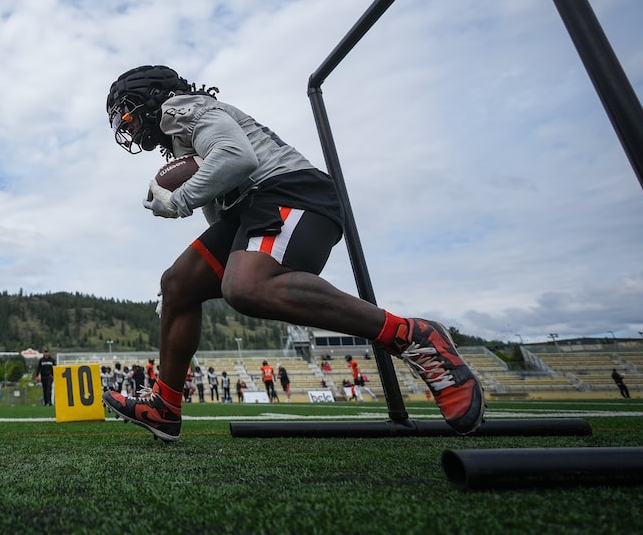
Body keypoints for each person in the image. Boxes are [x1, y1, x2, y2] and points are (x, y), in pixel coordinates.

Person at [100, 65, 485, 441]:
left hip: (292, 192)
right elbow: (220, 212)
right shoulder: (183, 138)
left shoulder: (180, 109)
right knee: (178, 284)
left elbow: (237, 158)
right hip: (252, 209)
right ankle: (165, 405)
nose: (127, 127)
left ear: (154, 98)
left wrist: (180, 199)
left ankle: (411, 335)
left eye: (128, 113)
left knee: (246, 286)